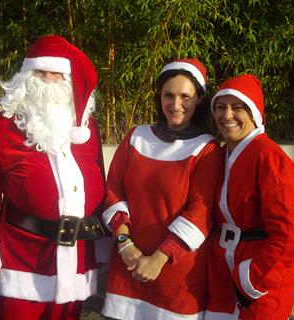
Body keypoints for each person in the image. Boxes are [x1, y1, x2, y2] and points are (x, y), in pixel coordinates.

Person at [0, 35, 106, 320]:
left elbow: (99, 181)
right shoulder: (1, 126)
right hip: (21, 258)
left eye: (57, 73)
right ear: (26, 76)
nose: (49, 80)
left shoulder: (87, 129)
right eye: (41, 72)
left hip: (76, 256)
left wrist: (103, 242)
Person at [101, 59, 223, 319]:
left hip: (176, 276)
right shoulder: (136, 136)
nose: (176, 105)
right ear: (159, 96)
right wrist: (124, 244)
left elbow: (200, 213)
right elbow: (113, 191)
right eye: (169, 95)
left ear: (200, 98)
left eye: (185, 96)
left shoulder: (207, 148)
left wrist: (158, 259)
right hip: (128, 265)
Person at [205, 74, 294, 319]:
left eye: (237, 107)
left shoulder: (270, 159)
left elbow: (287, 237)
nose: (227, 115)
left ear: (254, 113)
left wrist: (252, 277)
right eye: (220, 107)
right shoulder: (220, 155)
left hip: (261, 279)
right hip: (223, 273)